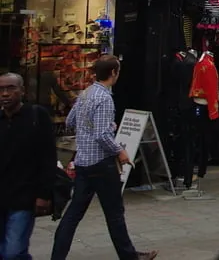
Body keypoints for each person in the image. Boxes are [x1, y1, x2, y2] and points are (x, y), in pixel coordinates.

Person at [51, 56, 158, 260]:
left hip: (83, 162)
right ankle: (130, 256)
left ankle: (57, 256)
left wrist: (100, 127)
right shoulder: (105, 98)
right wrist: (120, 150)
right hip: (101, 164)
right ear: (113, 73)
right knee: (115, 214)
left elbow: (71, 121)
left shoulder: (86, 93)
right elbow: (101, 135)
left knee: (73, 215)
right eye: (117, 71)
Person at [0, 72, 56, 259]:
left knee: (13, 251)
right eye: (1, 89)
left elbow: (48, 157)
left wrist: (43, 194)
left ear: (22, 91)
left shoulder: (36, 116)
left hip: (23, 196)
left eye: (10, 88)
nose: (5, 94)